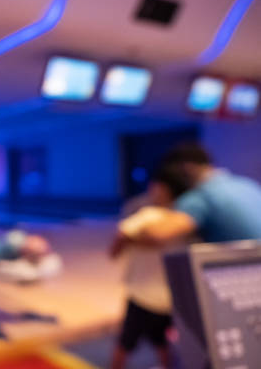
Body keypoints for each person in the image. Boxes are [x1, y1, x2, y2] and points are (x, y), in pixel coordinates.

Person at [110, 164, 191, 369]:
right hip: (170, 299)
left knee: (124, 344)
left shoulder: (147, 215)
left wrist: (132, 242)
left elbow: (116, 246)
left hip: (142, 297)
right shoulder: (186, 220)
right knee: (162, 342)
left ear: (161, 187)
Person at [115, 144, 261, 247]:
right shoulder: (248, 184)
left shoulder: (200, 197)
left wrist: (132, 232)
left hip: (244, 274)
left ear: (187, 168)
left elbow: (158, 235)